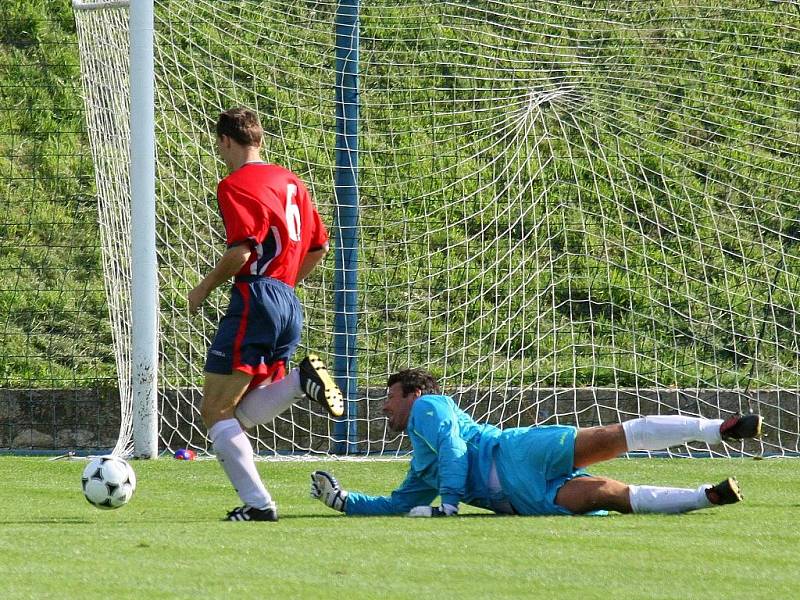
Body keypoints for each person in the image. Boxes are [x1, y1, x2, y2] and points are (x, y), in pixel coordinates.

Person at [311, 368, 763, 517]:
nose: (384, 406)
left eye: (390, 397)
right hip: (523, 495)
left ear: (414, 394)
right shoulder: (421, 466)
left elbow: (457, 450)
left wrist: (448, 504)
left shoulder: (431, 408)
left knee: (612, 438)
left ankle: (716, 429)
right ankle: (707, 497)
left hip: (514, 451)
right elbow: (396, 505)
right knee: (609, 494)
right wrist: (344, 501)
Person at [190, 107, 344, 522]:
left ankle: (260, 506)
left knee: (215, 410)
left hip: (255, 296)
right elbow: (319, 248)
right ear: (258, 138)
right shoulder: (291, 181)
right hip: (287, 301)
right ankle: (300, 382)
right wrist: (284, 287)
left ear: (226, 141)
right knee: (235, 412)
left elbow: (241, 251)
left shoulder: (234, 184)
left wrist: (203, 288)